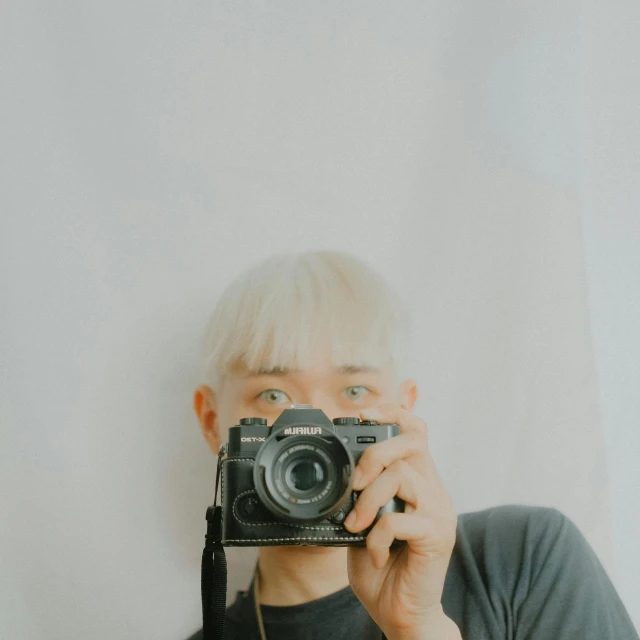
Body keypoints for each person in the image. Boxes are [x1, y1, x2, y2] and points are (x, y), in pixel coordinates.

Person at [187, 250, 638, 640]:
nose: (317, 429)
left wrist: (419, 628)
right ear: (212, 422)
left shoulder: (523, 559)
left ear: (402, 414)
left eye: (355, 392)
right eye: (273, 395)